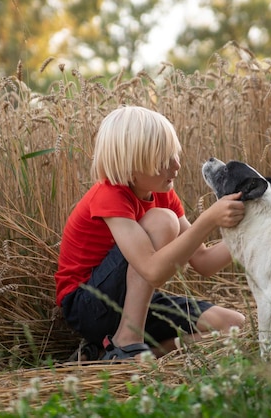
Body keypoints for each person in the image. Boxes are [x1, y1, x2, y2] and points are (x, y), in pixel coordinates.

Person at [55, 106, 246, 361]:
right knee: (162, 221)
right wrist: (209, 219)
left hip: (133, 302)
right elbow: (153, 271)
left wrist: (254, 229)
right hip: (89, 304)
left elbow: (204, 262)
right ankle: (126, 342)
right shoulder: (109, 196)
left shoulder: (162, 192)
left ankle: (108, 354)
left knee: (233, 326)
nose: (177, 165)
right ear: (132, 166)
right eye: (163, 160)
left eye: (175, 154)